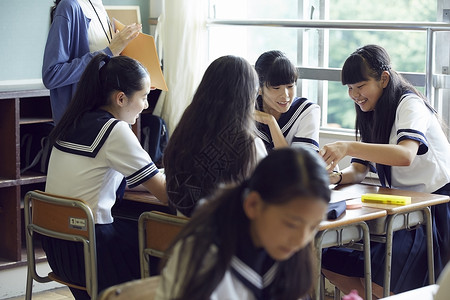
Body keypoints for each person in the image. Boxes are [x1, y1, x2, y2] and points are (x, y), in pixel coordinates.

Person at [319, 44, 450, 298]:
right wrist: (335, 177)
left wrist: (347, 145)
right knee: (327, 258)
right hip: (402, 207)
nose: (355, 95)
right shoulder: (371, 110)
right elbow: (359, 168)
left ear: (384, 79)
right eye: (349, 88)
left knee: (381, 278)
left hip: (435, 209)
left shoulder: (409, 104)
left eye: (360, 86)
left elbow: (405, 154)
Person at [41, 53, 168, 299]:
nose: (146, 106)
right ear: (121, 98)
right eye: (143, 97)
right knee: (167, 252)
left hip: (60, 250)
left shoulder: (72, 121)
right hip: (92, 254)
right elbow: (164, 194)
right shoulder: (115, 131)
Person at [155, 147, 331, 300]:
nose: (301, 240)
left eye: (313, 227)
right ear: (253, 205)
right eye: (291, 224)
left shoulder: (287, 253)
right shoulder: (201, 257)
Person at [163, 55, 267, 217]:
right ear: (247, 97)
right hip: (227, 238)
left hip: (184, 235)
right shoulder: (248, 144)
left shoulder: (184, 131)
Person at [42, 0, 142, 123]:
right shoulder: (69, 6)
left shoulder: (99, 8)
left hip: (108, 119)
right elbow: (52, 75)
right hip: (83, 124)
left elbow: (104, 66)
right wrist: (109, 51)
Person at [254, 50, 320, 152]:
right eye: (276, 88)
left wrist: (271, 122)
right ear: (259, 88)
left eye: (290, 86)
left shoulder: (306, 111)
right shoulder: (247, 110)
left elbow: (298, 165)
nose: (285, 95)